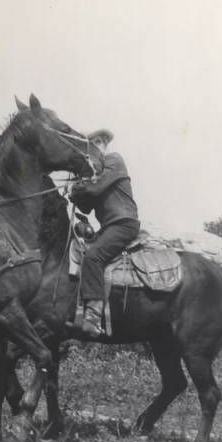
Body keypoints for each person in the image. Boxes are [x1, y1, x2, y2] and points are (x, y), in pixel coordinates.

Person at [68, 128, 140, 337]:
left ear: (106, 145)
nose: (98, 145)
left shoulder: (114, 159)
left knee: (93, 256)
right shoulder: (94, 173)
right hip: (110, 227)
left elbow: (95, 190)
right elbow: (86, 207)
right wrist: (76, 191)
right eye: (93, 142)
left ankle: (92, 314)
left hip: (124, 223)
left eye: (100, 141)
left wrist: (79, 188)